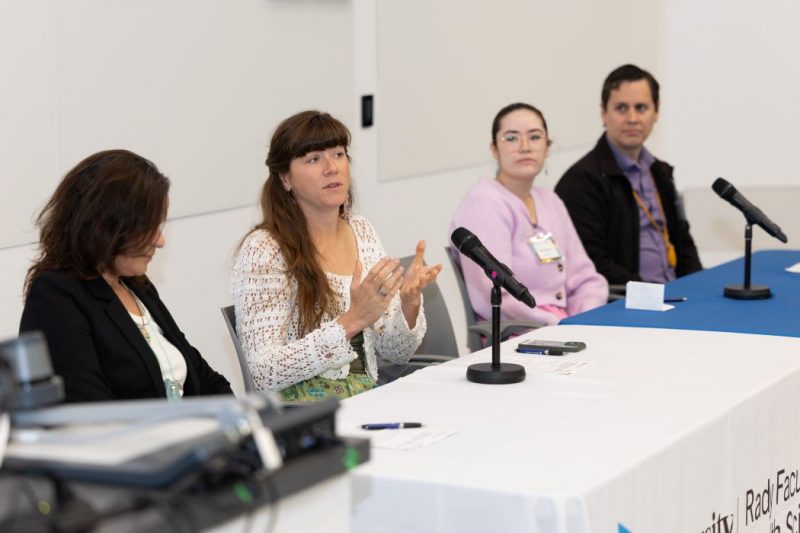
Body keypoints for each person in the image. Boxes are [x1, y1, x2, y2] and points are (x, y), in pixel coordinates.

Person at [231, 110, 441, 401]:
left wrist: (408, 302)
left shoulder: (361, 230)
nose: (332, 168)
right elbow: (265, 372)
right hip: (304, 415)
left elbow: (396, 352)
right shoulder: (264, 249)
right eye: (313, 159)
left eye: (339, 154)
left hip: (366, 398)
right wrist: (352, 320)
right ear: (285, 179)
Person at [20, 150, 232, 403]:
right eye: (148, 227)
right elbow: (91, 413)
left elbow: (205, 378)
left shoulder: (136, 286)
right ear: (104, 226)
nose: (160, 241)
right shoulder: (57, 296)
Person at [449, 103, 608, 326]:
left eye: (534, 137)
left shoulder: (550, 201)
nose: (525, 146)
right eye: (511, 138)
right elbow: (494, 296)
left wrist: (583, 320)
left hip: (569, 327)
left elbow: (587, 279)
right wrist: (557, 325)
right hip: (520, 333)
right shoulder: (484, 203)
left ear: (547, 147)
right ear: (494, 150)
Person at [555, 64, 702, 285]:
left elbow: (683, 242)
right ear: (603, 113)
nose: (632, 118)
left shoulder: (661, 172)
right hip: (625, 304)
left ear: (656, 111)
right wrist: (648, 294)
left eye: (641, 108)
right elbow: (591, 262)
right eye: (621, 108)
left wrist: (698, 286)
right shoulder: (581, 181)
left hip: (674, 295)